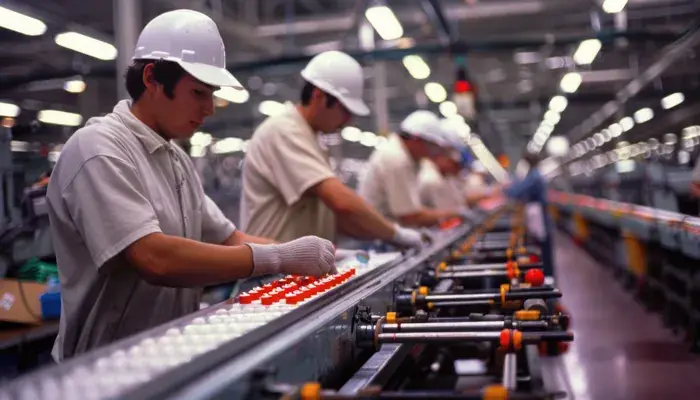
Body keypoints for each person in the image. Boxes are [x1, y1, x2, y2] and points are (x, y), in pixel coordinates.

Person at [46, 10, 336, 362]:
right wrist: (277, 257)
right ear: (152, 78)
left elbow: (231, 239)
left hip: (169, 355)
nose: (209, 108)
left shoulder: (176, 159)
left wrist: (306, 254)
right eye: (199, 92)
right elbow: (154, 258)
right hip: (104, 368)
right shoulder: (98, 148)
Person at [241, 51, 424, 251]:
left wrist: (384, 235)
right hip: (270, 274)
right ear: (319, 96)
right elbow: (341, 202)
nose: (348, 120)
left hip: (296, 270)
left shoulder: (311, 138)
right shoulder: (284, 130)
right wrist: (396, 234)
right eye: (344, 110)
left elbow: (340, 219)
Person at [358, 111, 465, 227]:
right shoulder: (396, 159)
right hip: (376, 236)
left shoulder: (404, 156)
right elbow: (409, 216)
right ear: (416, 140)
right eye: (430, 146)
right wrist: (454, 214)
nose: (431, 153)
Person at [503, 152, 554, 277]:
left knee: (542, 247)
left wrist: (504, 189)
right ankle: (546, 274)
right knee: (541, 245)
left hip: (538, 215)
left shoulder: (534, 176)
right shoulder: (534, 175)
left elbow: (517, 191)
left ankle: (547, 277)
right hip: (537, 214)